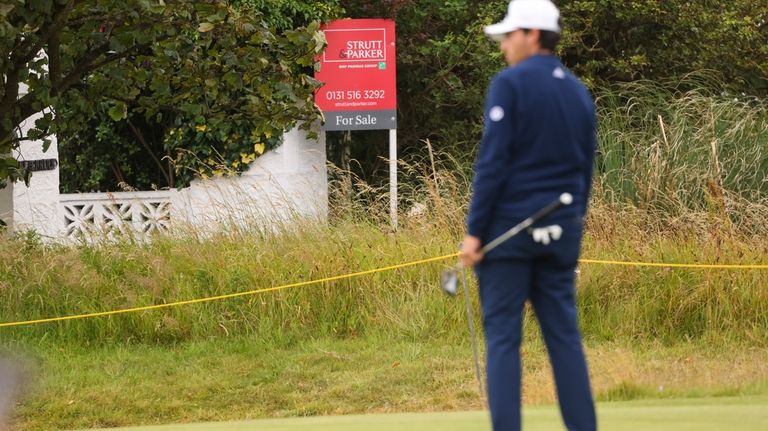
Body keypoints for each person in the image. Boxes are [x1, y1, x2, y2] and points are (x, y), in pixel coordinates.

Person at [459, 1, 598, 430]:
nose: (504, 44)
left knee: (503, 340)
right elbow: (584, 170)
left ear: (532, 35)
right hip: (561, 234)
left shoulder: (510, 84)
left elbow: (493, 163)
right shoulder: (578, 91)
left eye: (510, 35)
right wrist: (573, 229)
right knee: (564, 339)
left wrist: (473, 233)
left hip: (508, 235)